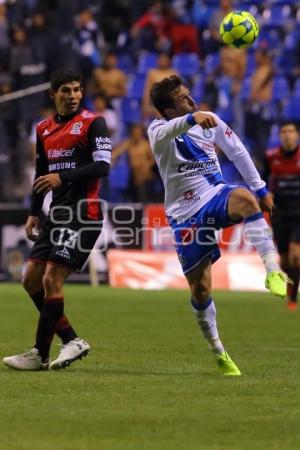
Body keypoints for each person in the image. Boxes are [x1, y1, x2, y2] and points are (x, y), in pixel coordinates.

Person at [147, 75, 288, 376]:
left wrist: (261, 189)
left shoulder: (209, 121)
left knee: (246, 199)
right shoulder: (158, 129)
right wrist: (192, 118)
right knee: (200, 288)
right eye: (184, 99)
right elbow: (171, 130)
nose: (192, 101)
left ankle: (273, 269)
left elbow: (236, 151)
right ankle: (218, 350)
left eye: (190, 96)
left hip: (214, 194)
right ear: (168, 110)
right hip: (184, 215)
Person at [3, 69, 111, 371]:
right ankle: (70, 340)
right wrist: (34, 211)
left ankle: (40, 352)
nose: (73, 95)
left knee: (51, 279)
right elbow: (41, 175)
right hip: (56, 215)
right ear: (53, 95)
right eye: (66, 90)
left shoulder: (93, 123)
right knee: (30, 280)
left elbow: (102, 166)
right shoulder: (44, 129)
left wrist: (61, 177)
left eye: (77, 89)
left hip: (83, 213)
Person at [264, 121, 300, 310]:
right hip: (280, 214)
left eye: (291, 131)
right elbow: (263, 180)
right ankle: (291, 285)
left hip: (299, 214)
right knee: (285, 259)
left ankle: (293, 299)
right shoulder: (271, 157)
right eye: (284, 131)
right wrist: (265, 195)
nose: (287, 135)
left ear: (297, 135)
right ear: (280, 136)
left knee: (296, 254)